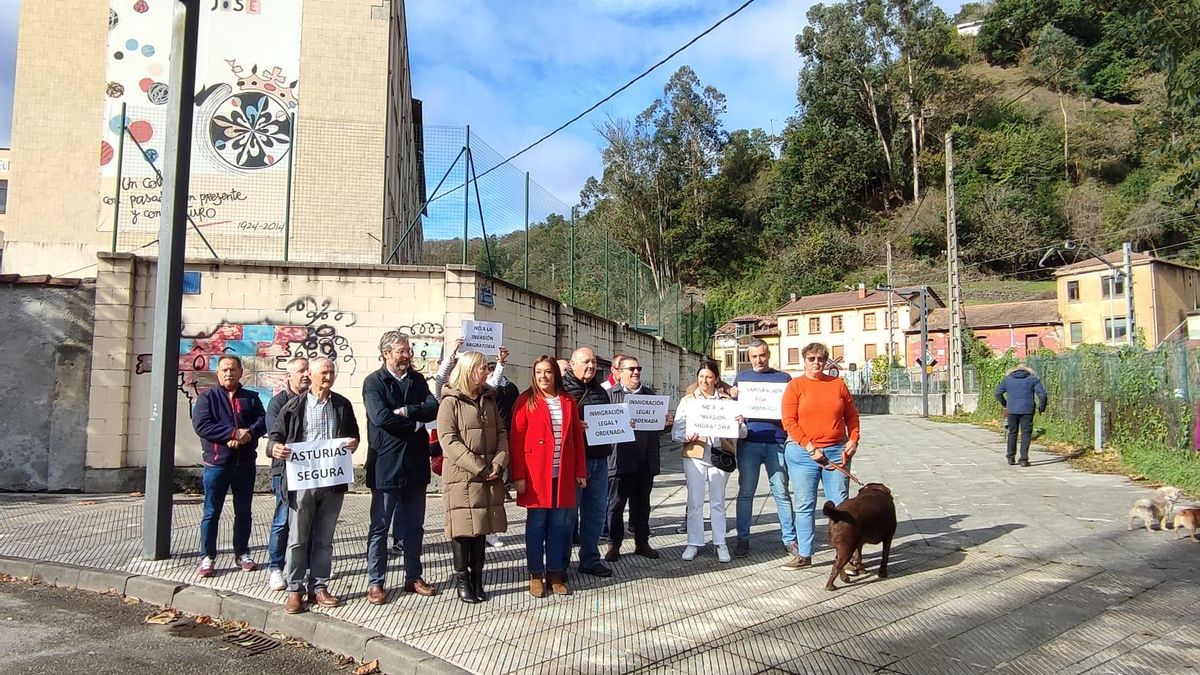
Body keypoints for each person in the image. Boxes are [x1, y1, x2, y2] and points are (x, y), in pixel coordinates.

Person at [269, 357, 360, 614]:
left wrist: (353, 443)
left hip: (331, 481)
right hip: (302, 482)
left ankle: (319, 586)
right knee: (297, 538)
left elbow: (354, 435)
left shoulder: (341, 404)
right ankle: (295, 590)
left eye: (331, 372)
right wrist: (274, 448)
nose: (328, 377)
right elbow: (275, 436)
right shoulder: (293, 406)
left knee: (324, 538)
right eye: (323, 373)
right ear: (310, 375)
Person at [362, 331, 440, 604]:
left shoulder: (417, 380)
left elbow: (433, 407)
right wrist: (416, 424)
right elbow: (380, 417)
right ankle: (376, 582)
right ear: (387, 353)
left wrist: (408, 412)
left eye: (408, 350)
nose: (407, 355)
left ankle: (413, 576)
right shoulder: (374, 382)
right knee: (380, 527)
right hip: (385, 465)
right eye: (402, 351)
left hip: (416, 465)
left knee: (414, 526)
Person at [510, 355, 588, 597]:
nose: (543, 377)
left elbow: (576, 439)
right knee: (536, 525)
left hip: (561, 474)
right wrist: (518, 475)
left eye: (548, 372)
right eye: (538, 372)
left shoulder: (567, 401)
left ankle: (555, 573)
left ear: (556, 374)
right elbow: (516, 440)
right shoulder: (526, 400)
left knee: (559, 526)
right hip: (535, 475)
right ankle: (535, 573)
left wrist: (580, 471)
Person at [780, 342, 860, 570]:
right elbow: (789, 421)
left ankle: (845, 553)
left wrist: (853, 439)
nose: (816, 363)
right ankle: (804, 554)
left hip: (836, 451)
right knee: (805, 504)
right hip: (802, 453)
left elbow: (852, 416)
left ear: (826, 362)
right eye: (812, 359)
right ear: (804, 360)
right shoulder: (795, 386)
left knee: (841, 506)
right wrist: (808, 446)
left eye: (821, 359)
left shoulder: (838, 385)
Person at [437, 351, 510, 603]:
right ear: (469, 370)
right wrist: (479, 466)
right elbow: (448, 440)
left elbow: (501, 431)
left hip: (489, 474)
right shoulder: (450, 402)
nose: (487, 372)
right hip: (463, 476)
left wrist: (499, 462)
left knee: (481, 528)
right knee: (463, 530)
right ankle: (462, 580)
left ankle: (478, 577)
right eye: (482, 368)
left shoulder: (488, 399)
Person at [191, 355, 268, 579]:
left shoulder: (251, 398)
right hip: (216, 465)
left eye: (233, 369)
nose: (229, 373)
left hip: (244, 464)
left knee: (243, 512)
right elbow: (202, 425)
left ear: (241, 372)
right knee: (211, 512)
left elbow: (262, 421)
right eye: (224, 369)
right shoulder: (207, 398)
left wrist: (247, 434)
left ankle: (242, 553)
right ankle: (208, 556)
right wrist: (232, 434)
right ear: (218, 372)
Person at [672, 361, 746, 563]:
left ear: (716, 378)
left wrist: (739, 423)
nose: (704, 381)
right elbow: (676, 431)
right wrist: (687, 436)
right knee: (695, 501)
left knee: (718, 501)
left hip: (720, 455)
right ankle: (693, 543)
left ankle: (720, 542)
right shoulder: (688, 401)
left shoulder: (727, 401)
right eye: (701, 377)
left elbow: (742, 433)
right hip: (696, 455)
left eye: (709, 377)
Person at [730, 340, 796, 559]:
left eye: (762, 355)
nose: (759, 360)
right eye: (754, 356)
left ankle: (790, 539)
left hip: (777, 441)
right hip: (749, 442)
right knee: (746, 492)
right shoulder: (742, 379)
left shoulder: (783, 379)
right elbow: (732, 407)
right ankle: (742, 539)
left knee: (781, 492)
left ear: (769, 354)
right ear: (749, 358)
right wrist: (734, 404)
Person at [605, 355, 671, 561]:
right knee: (615, 505)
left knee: (642, 504)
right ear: (619, 372)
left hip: (645, 460)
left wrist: (665, 423)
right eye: (631, 369)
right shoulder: (608, 396)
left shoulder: (651, 396)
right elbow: (603, 427)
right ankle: (613, 544)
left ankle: (642, 542)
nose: (636, 372)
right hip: (620, 461)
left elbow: (655, 428)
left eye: (638, 369)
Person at [561, 346, 616, 578]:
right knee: (567, 516)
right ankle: (559, 563)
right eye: (586, 362)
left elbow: (610, 422)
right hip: (574, 462)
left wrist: (622, 425)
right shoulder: (562, 391)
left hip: (599, 460)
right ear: (572, 364)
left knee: (595, 513)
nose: (591, 366)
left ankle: (590, 559)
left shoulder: (601, 391)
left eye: (594, 362)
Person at [264, 357, 310, 591]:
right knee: (282, 519)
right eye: (300, 371)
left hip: (311, 471)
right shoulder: (278, 403)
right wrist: (277, 448)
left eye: (307, 371)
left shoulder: (315, 400)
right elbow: (274, 437)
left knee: (308, 518)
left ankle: (306, 566)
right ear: (289, 376)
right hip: (284, 470)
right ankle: (275, 567)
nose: (305, 375)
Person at [994, 363, 1047, 467]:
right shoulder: (1033, 379)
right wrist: (1041, 407)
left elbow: (998, 393)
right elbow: (1043, 395)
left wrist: (1005, 404)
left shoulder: (1008, 379)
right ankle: (1023, 459)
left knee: (1012, 432)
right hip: (1027, 410)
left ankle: (1010, 457)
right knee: (1026, 434)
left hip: (1012, 410)